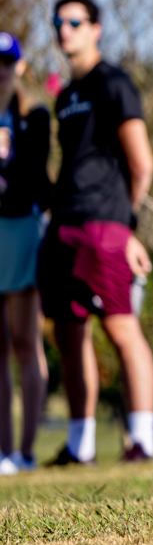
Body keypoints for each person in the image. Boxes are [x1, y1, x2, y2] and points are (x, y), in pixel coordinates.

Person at [38, 0, 153, 465]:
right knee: (69, 335)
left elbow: (142, 164)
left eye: (73, 21)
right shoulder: (65, 96)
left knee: (121, 328)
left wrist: (126, 227)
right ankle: (79, 445)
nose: (64, 30)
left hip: (105, 226)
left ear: (95, 28)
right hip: (64, 226)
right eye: (58, 22)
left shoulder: (114, 83)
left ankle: (142, 441)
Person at [0, 31, 49, 474]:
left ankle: (27, 451)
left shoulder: (34, 116)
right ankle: (3, 450)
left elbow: (33, 178)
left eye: (6, 62)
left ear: (19, 66)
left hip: (21, 231)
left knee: (24, 340)